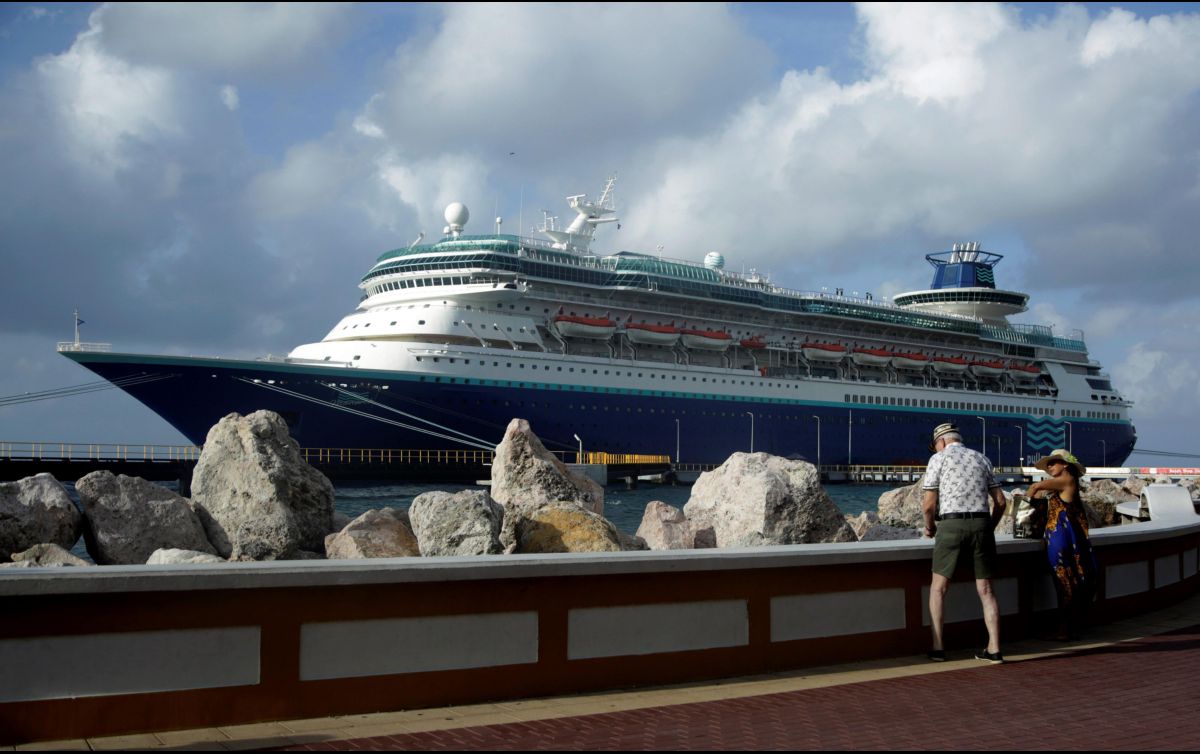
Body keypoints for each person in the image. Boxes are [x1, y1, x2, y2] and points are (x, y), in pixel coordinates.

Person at [921, 422, 1007, 663]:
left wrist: (930, 527)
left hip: (950, 525)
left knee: (938, 589)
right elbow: (1001, 502)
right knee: (986, 590)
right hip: (981, 524)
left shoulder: (938, 459)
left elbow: (928, 505)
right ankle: (994, 649)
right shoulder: (982, 458)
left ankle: (938, 648)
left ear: (941, 442)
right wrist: (988, 526)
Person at [1026, 448, 1098, 641]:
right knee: (1069, 581)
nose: (1049, 467)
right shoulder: (1065, 484)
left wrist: (1025, 507)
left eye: (1053, 463)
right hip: (1069, 538)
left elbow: (1034, 488)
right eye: (1048, 464)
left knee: (1063, 583)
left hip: (1060, 539)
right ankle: (1069, 626)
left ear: (1065, 465)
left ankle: (1064, 629)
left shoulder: (1065, 481)